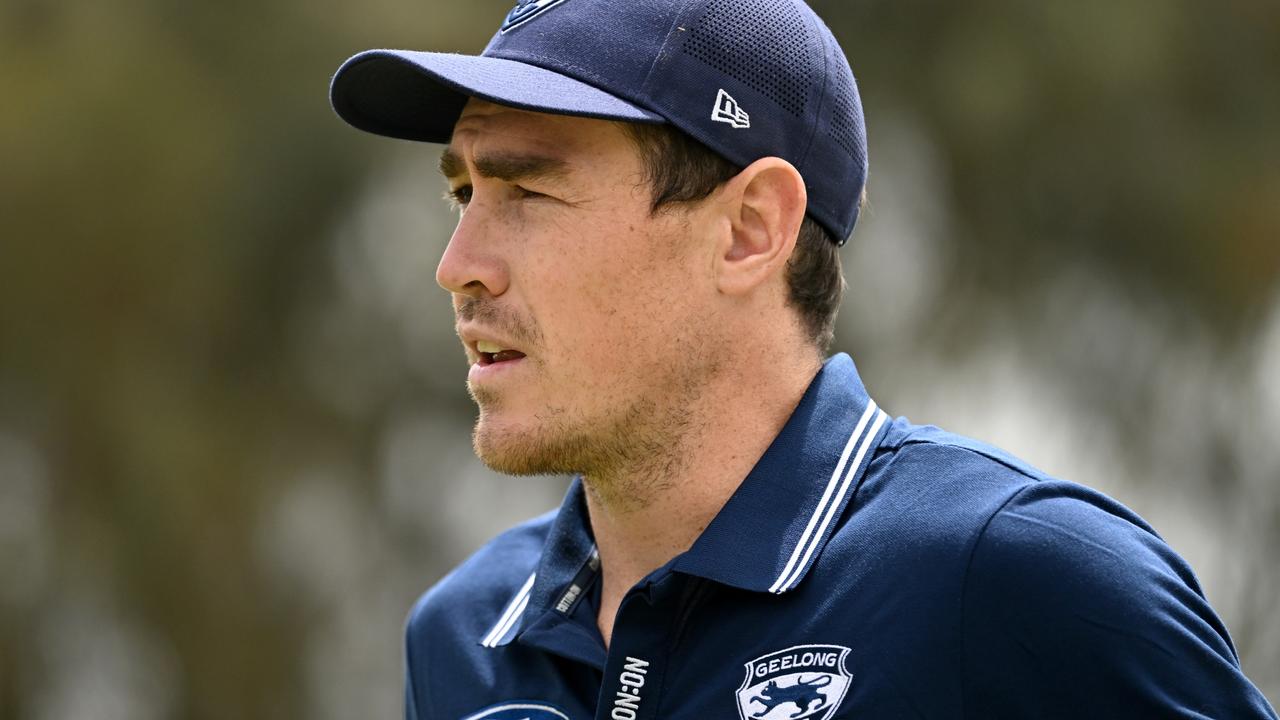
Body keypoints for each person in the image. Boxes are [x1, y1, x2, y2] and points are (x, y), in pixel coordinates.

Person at [329, 1, 1278, 718]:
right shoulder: (463, 636)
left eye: (527, 191)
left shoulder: (1016, 580)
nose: (457, 267)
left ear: (749, 230)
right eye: (463, 194)